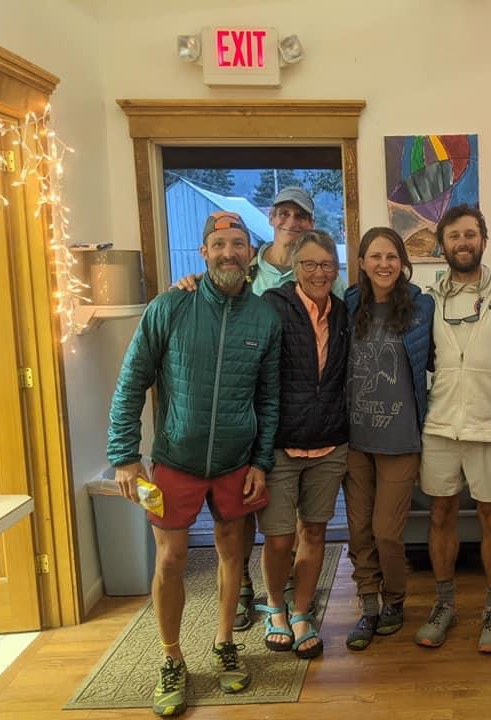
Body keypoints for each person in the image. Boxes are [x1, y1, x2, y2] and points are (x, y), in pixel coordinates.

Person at [107, 210, 281, 717]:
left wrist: (260, 462)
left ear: (251, 255)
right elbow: (131, 382)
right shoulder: (170, 307)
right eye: (219, 244)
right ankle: (171, 658)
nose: (229, 252)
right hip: (175, 461)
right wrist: (123, 455)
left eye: (238, 244)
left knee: (233, 557)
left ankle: (225, 642)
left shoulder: (264, 318)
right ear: (203, 252)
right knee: (171, 561)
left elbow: (269, 399)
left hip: (235, 461)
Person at [175, 185, 345, 632]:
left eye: (325, 265)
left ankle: (294, 604)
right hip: (258, 426)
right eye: (284, 214)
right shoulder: (252, 280)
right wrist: (188, 285)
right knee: (263, 526)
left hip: (321, 434)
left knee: (303, 528)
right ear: (271, 218)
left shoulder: (341, 302)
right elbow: (216, 291)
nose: (291, 221)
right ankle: (262, 597)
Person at [413, 205, 491, 653]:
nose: (462, 242)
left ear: (484, 240)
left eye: (470, 234)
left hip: (490, 422)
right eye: (453, 236)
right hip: (439, 424)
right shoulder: (426, 300)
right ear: (443, 245)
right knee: (440, 514)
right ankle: (445, 603)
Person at [253, 230, 349, 659]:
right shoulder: (271, 307)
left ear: (336, 269)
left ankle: (303, 612)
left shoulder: (344, 312)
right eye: (309, 264)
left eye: (326, 265)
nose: (318, 273)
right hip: (280, 444)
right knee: (278, 537)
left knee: (314, 531)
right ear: (294, 267)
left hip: (329, 443)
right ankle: (275, 606)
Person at [343, 227, 434, 651]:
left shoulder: (422, 306)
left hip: (401, 439)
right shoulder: (346, 305)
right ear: (361, 262)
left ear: (403, 262)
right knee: (359, 531)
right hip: (355, 440)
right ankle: (368, 606)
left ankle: (395, 600)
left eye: (391, 257)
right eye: (375, 256)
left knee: (386, 533)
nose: (384, 264)